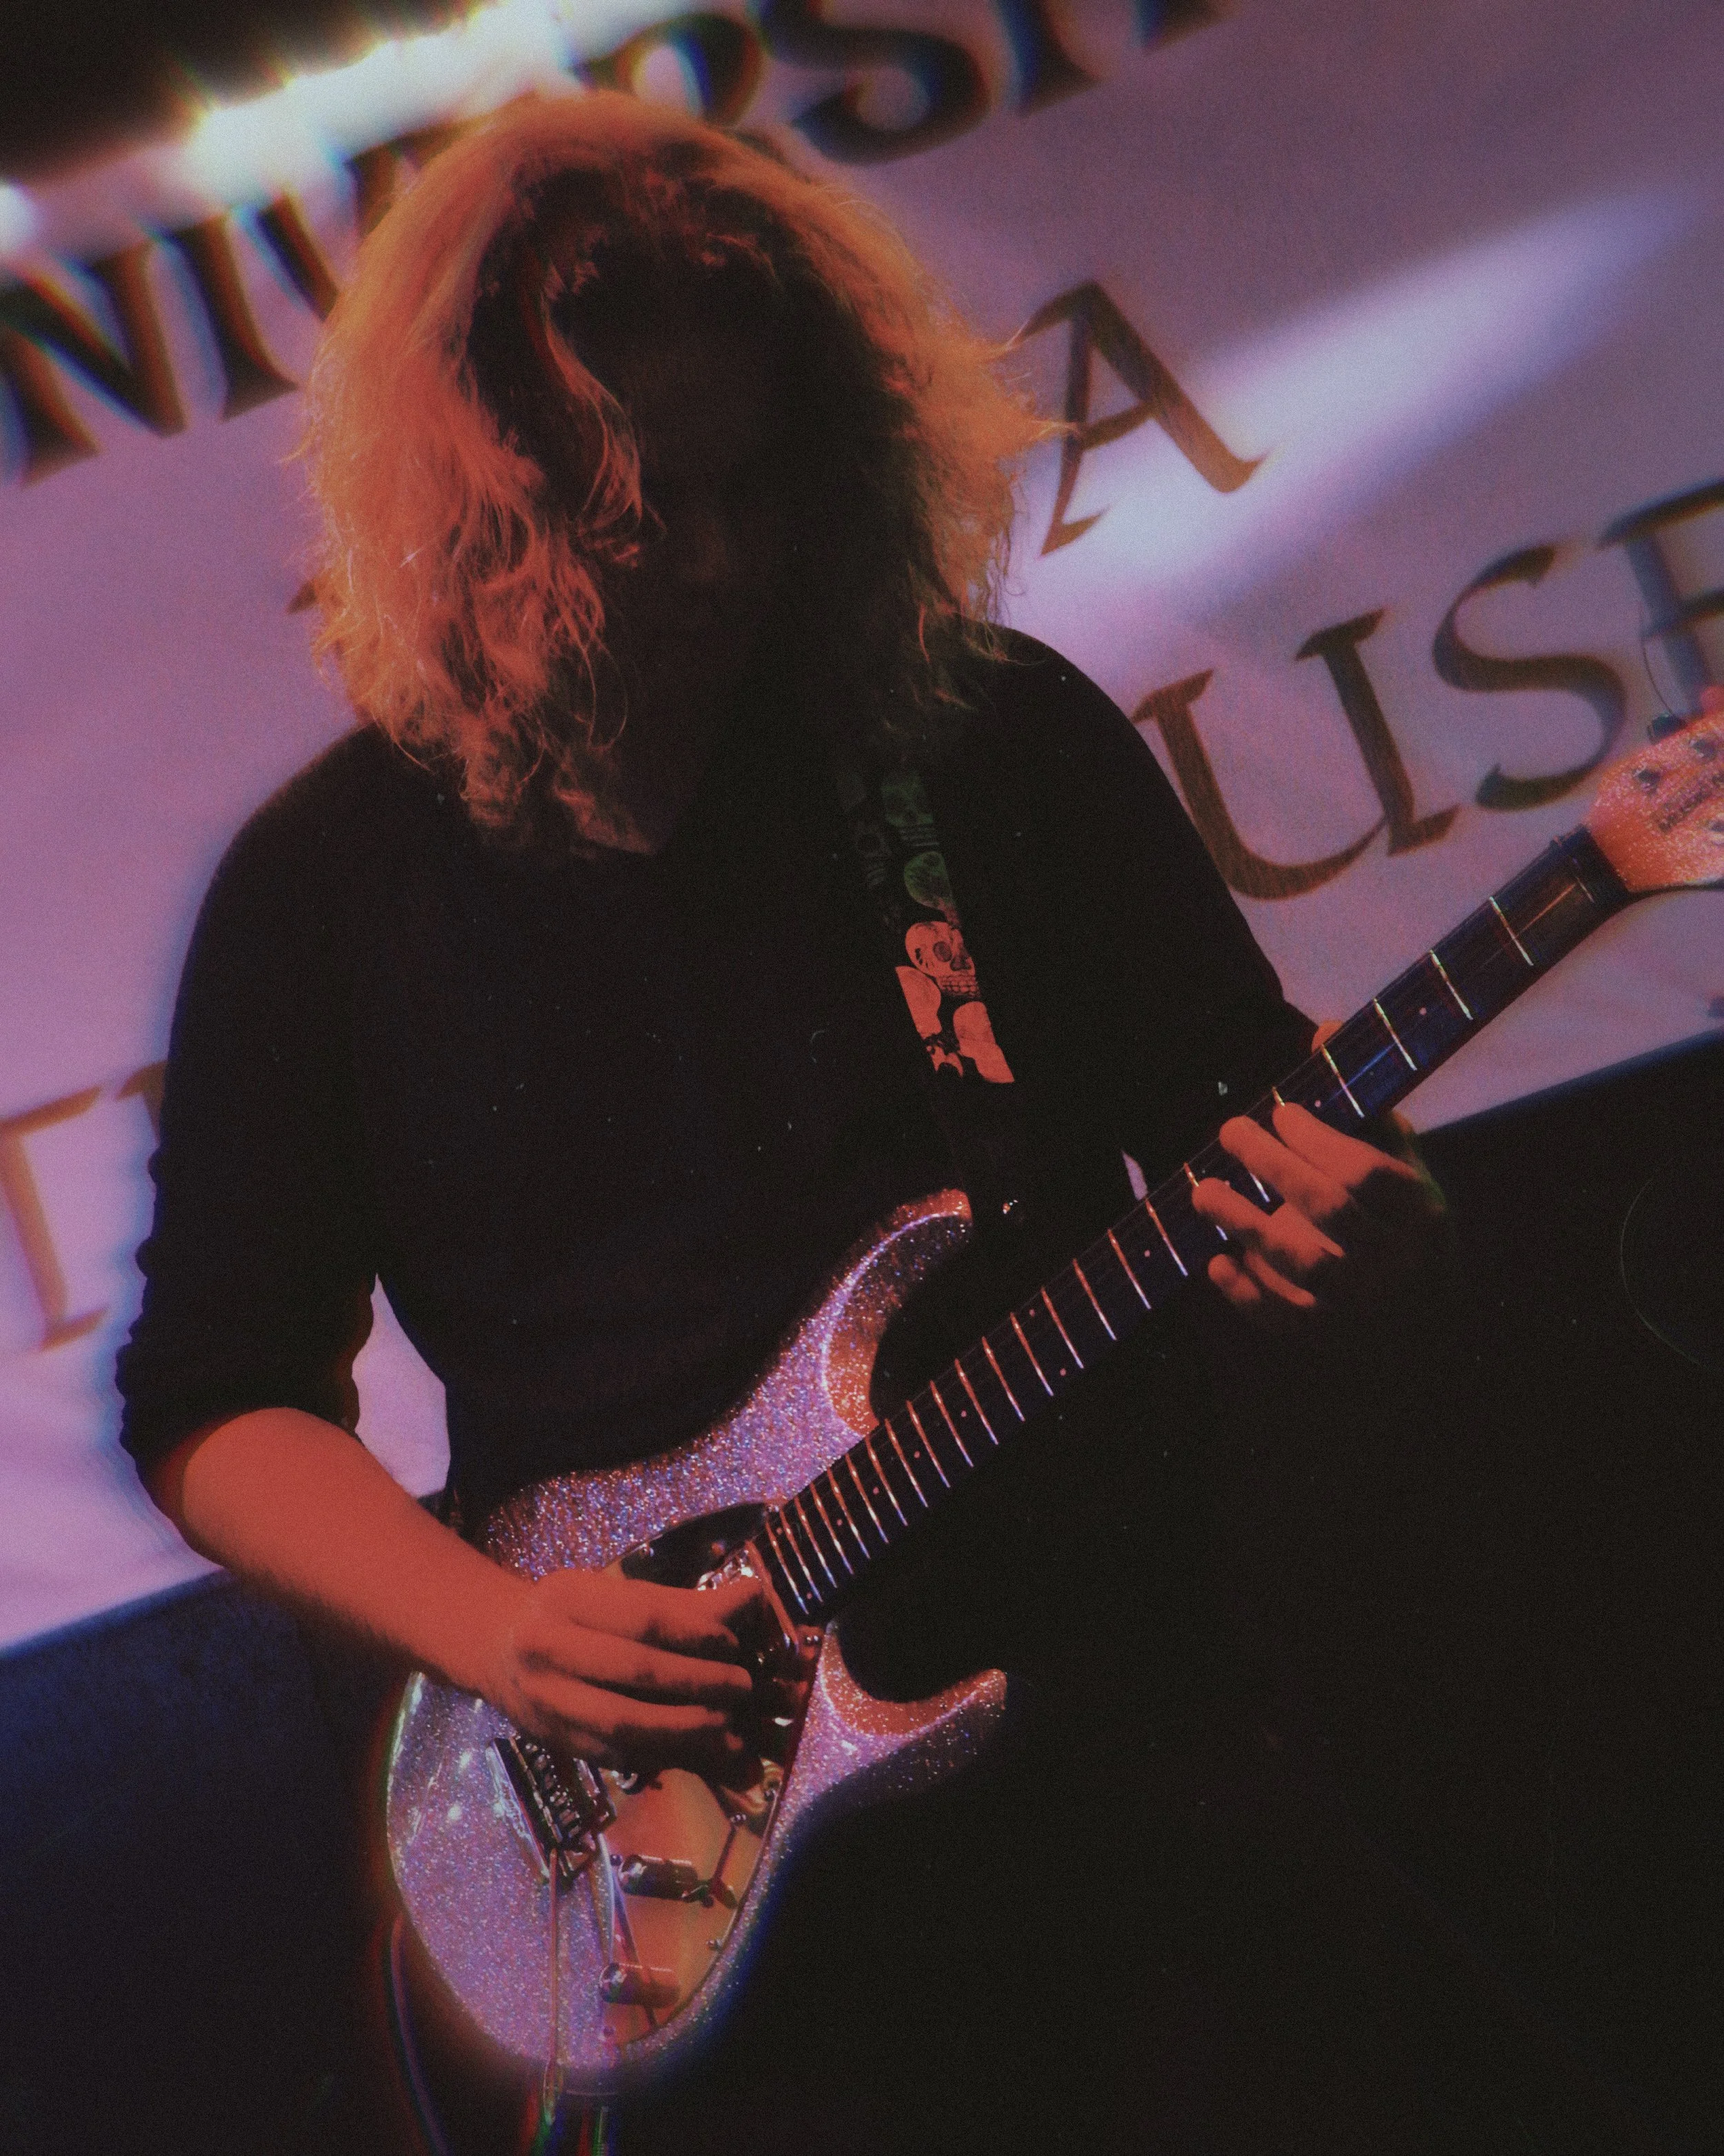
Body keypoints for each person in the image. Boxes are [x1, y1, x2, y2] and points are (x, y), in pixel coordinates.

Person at [114, 92, 1551, 2156]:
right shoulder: (324, 895)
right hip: (699, 1881)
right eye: (619, 508)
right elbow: (219, 1398)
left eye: (743, 491)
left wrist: (1370, 1221)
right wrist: (500, 1629)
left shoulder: (981, 749)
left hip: (1133, 1760)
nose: (696, 563)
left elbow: (1261, 1124)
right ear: (473, 504)